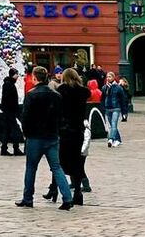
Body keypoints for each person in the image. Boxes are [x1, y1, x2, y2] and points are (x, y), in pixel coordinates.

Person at [16, 66, 72, 210]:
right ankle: (67, 198)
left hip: (35, 136)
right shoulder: (56, 95)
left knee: (31, 168)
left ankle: (28, 198)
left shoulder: (31, 94)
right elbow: (61, 116)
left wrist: (26, 133)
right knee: (56, 167)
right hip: (52, 136)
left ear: (35, 78)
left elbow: (25, 117)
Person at [47, 69, 90, 204]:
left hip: (64, 131)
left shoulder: (61, 91)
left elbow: (55, 111)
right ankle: (78, 192)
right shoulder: (83, 92)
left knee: (58, 162)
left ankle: (55, 190)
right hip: (78, 131)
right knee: (77, 162)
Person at [0, 68, 23, 156]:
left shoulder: (8, 83)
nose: (18, 76)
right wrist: (13, 108)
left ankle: (4, 149)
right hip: (10, 111)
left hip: (7, 110)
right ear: (13, 75)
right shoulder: (10, 84)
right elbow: (9, 99)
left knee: (7, 130)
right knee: (14, 129)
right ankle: (15, 148)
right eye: (16, 74)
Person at [102, 71, 131, 147]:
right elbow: (102, 99)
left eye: (110, 77)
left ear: (113, 77)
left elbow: (122, 100)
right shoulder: (104, 87)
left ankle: (111, 139)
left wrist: (124, 112)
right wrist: (103, 108)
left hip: (116, 108)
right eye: (107, 77)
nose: (108, 78)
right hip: (108, 108)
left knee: (114, 124)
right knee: (112, 125)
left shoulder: (118, 88)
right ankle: (118, 140)